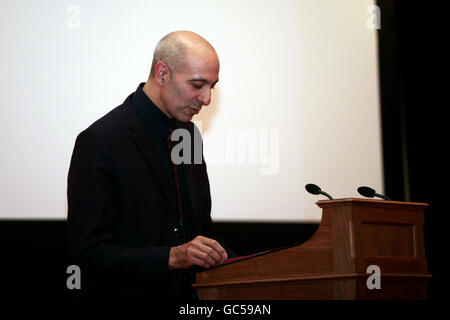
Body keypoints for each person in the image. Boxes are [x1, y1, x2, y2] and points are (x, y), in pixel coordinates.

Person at [67, 30, 235, 300]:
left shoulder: (189, 135)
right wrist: (172, 257)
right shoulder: (100, 140)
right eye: (197, 85)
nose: (206, 99)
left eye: (211, 87)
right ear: (161, 74)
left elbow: (201, 227)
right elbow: (89, 254)